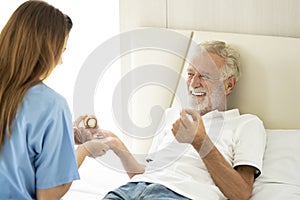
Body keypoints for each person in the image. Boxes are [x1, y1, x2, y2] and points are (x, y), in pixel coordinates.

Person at [79, 40, 266, 199]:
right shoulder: (172, 116)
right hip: (130, 191)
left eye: (204, 76)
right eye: (191, 74)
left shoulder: (247, 124)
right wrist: (115, 144)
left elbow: (241, 193)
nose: (193, 83)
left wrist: (200, 141)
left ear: (229, 85)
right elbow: (149, 174)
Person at [0, 1, 108, 199]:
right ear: (46, 51)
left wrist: (64, 136)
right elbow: (48, 195)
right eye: (62, 50)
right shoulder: (51, 106)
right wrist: (85, 149)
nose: (60, 61)